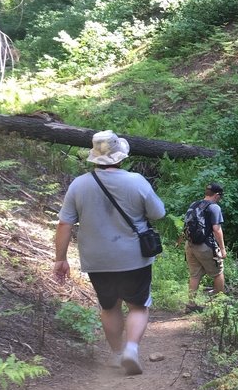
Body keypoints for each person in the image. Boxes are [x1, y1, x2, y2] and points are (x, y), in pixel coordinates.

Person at [53, 130, 166, 375]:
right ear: (121, 156)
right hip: (133, 256)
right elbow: (158, 214)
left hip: (96, 259)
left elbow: (64, 224)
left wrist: (60, 259)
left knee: (109, 306)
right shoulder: (136, 181)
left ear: (95, 156)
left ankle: (116, 354)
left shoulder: (79, 185)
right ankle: (131, 350)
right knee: (137, 306)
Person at [185, 183, 227, 309]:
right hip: (205, 246)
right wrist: (223, 249)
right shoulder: (214, 207)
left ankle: (191, 304)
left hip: (190, 245)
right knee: (218, 273)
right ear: (217, 195)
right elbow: (216, 229)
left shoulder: (194, 204)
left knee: (195, 275)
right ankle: (219, 305)